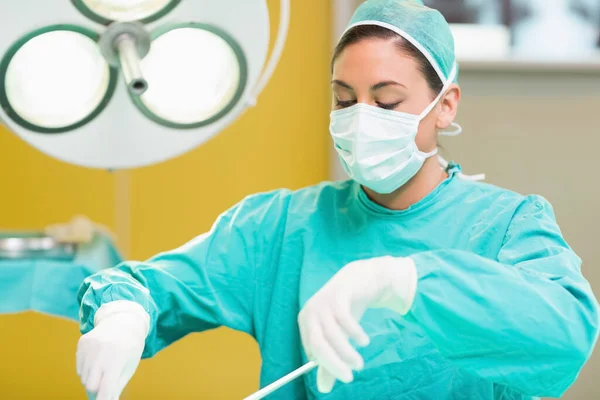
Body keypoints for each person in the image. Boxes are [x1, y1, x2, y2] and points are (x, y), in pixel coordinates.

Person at [75, 1, 600, 399]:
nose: (361, 117)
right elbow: (151, 284)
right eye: (344, 100)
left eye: (387, 101)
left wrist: (406, 280)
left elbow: (567, 330)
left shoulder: (505, 225)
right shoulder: (282, 227)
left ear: (445, 106)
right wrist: (124, 313)